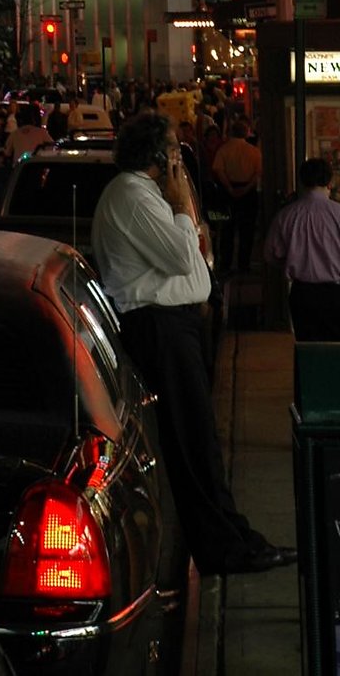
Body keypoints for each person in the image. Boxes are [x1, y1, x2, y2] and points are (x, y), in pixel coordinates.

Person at [90, 113, 294, 576]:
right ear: (157, 155)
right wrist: (182, 204)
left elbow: (198, 252)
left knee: (201, 436)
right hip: (160, 328)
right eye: (174, 149)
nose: (180, 158)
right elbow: (184, 256)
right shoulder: (134, 196)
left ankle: (233, 534)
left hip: (175, 326)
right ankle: (223, 547)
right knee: (192, 440)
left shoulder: (145, 196)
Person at [264, 159, 340, 340]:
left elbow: (271, 254)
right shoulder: (337, 213)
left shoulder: (287, 215)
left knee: (307, 349)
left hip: (302, 293)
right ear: (330, 182)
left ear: (302, 181)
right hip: (336, 292)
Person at [210, 117, 262, 276]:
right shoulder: (254, 151)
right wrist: (246, 188)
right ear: (246, 133)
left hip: (226, 193)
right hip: (248, 193)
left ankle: (226, 263)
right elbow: (258, 175)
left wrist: (230, 188)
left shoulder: (224, 150)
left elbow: (218, 170)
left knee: (227, 228)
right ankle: (243, 264)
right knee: (247, 229)